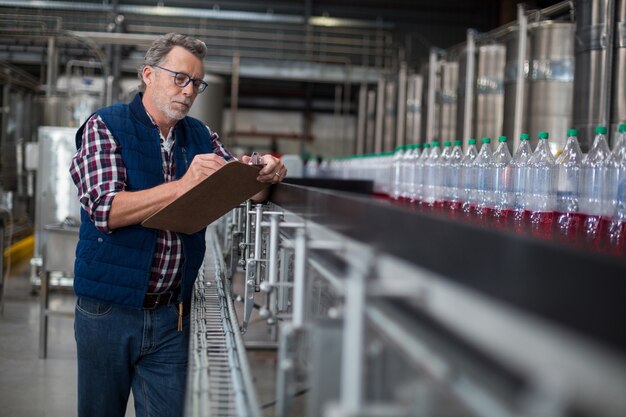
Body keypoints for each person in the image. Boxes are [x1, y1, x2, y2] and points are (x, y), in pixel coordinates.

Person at [69, 32, 286, 417]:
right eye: (179, 78)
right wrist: (184, 185)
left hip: (172, 316)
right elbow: (105, 210)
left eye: (197, 84)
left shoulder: (200, 136)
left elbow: (244, 188)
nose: (188, 91)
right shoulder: (106, 126)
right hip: (108, 314)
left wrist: (266, 173)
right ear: (149, 74)